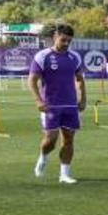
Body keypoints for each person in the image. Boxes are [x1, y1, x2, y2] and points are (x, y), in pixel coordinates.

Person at [27, 23, 86, 185]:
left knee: (68, 140)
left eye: (69, 41)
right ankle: (43, 157)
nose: (66, 43)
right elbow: (32, 80)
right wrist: (38, 100)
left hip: (70, 105)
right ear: (55, 37)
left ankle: (64, 174)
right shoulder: (42, 56)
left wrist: (83, 99)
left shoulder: (75, 57)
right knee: (50, 140)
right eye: (63, 40)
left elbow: (80, 80)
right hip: (50, 105)